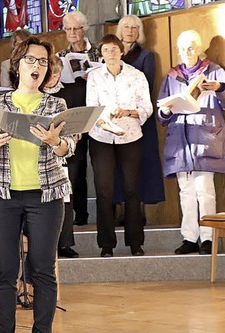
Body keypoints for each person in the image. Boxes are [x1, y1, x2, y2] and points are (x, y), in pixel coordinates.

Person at [0, 37, 75, 333]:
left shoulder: (56, 103)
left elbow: (69, 146)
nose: (38, 66)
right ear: (17, 65)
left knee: (43, 270)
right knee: (4, 272)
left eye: (43, 61)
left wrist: (57, 142)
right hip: (3, 196)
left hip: (46, 195)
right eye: (31, 60)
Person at [158, 30, 225, 255]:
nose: (186, 52)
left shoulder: (214, 72)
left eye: (190, 47)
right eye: (182, 48)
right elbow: (161, 115)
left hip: (205, 139)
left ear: (199, 49)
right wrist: (165, 110)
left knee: (204, 190)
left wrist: (220, 89)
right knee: (185, 191)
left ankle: (208, 238)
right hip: (180, 141)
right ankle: (189, 237)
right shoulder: (172, 75)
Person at [86, 34, 153, 257]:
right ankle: (106, 244)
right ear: (101, 54)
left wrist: (128, 112)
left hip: (130, 136)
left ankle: (135, 242)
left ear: (121, 51)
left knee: (132, 189)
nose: (111, 54)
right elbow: (91, 108)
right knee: (104, 191)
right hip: (101, 137)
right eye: (106, 50)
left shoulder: (137, 75)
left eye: (114, 49)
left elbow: (147, 107)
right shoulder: (94, 77)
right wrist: (104, 122)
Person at [113, 15, 165, 223]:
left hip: (138, 119)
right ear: (120, 30)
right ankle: (122, 211)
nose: (130, 30)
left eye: (135, 27)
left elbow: (147, 87)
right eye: (126, 27)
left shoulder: (146, 56)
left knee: (139, 165)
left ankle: (138, 212)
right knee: (117, 165)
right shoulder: (111, 54)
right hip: (114, 121)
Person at [56, 11, 100, 228]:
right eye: (68, 29)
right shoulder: (60, 55)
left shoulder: (99, 51)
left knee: (101, 167)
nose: (72, 33)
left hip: (98, 113)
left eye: (76, 29)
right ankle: (79, 214)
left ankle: (106, 215)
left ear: (85, 29)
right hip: (75, 113)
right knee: (76, 166)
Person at [44, 56, 80, 259]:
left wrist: (76, 133)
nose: (54, 78)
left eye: (57, 74)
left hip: (65, 152)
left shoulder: (69, 92)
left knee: (65, 199)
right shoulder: (37, 95)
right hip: (41, 153)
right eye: (51, 74)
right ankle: (47, 244)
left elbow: (78, 118)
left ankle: (65, 243)